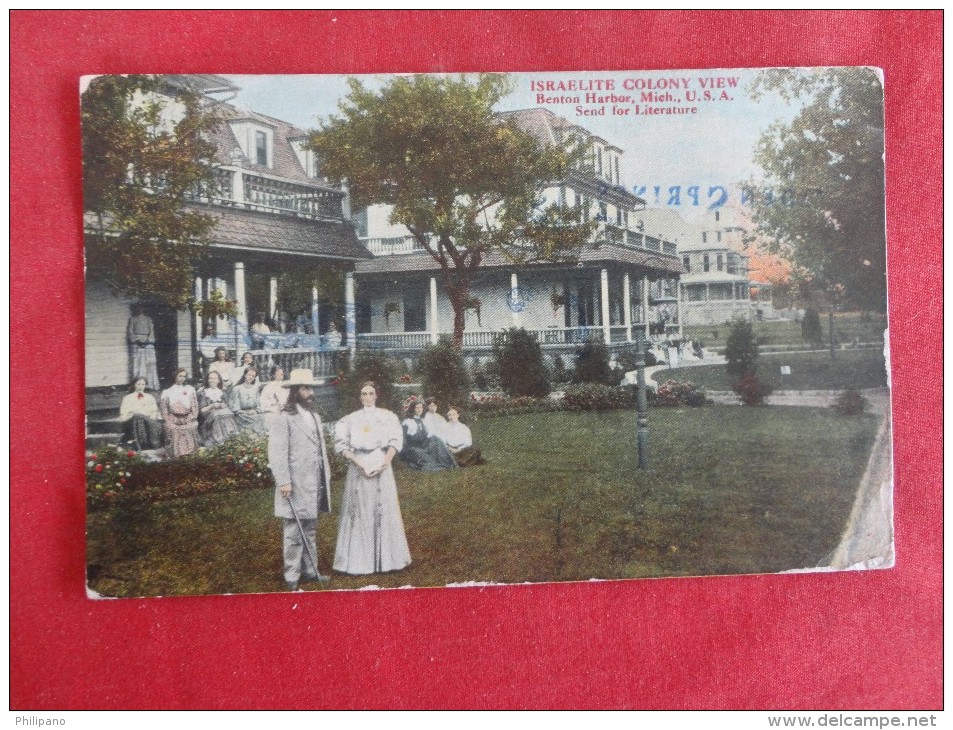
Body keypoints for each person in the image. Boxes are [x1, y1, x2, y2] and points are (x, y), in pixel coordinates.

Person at [333, 381, 411, 575]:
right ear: (360, 397)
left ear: (376, 396)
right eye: (363, 394)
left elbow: (395, 441)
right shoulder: (350, 419)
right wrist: (358, 462)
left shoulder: (387, 416)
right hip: (358, 464)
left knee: (383, 508)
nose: (367, 397)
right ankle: (359, 561)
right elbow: (341, 445)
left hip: (381, 461)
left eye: (370, 393)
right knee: (359, 510)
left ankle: (387, 560)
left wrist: (385, 462)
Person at [268, 369, 333, 591]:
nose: (310, 392)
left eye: (311, 387)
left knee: (311, 527)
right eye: (305, 388)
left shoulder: (315, 417)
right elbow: (277, 453)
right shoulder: (283, 418)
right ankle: (292, 574)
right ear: (294, 391)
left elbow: (320, 449)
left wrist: (326, 474)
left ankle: (310, 570)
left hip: (314, 481)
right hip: (294, 482)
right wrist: (284, 481)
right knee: (294, 530)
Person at [400, 400, 456, 472]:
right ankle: (438, 464)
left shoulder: (422, 420)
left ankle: (449, 463)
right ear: (412, 409)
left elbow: (427, 435)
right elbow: (403, 439)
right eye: (417, 407)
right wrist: (404, 453)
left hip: (424, 446)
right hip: (413, 448)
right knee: (426, 461)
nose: (419, 409)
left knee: (435, 439)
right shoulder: (407, 422)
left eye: (421, 407)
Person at [160, 368, 200, 457]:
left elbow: (194, 406)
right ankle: (177, 454)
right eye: (180, 376)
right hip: (173, 418)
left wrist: (192, 416)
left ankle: (189, 452)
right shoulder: (167, 392)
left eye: (184, 376)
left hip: (187, 417)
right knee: (174, 429)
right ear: (175, 376)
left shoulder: (190, 389)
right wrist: (169, 420)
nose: (182, 378)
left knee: (189, 427)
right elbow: (164, 410)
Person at [118, 377, 164, 451]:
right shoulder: (128, 398)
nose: (140, 386)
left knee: (141, 418)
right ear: (134, 385)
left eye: (143, 384)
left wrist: (150, 419)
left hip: (148, 421)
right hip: (133, 421)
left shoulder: (150, 397)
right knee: (137, 417)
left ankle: (148, 445)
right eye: (138, 384)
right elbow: (124, 413)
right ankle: (141, 446)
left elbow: (154, 411)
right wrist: (133, 415)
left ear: (145, 385)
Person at [197, 370, 240, 446]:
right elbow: (201, 411)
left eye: (215, 378)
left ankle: (230, 439)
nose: (212, 380)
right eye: (210, 378)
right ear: (207, 380)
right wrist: (212, 406)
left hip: (222, 414)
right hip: (207, 419)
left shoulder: (222, 391)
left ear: (219, 380)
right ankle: (219, 440)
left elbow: (227, 406)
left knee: (228, 414)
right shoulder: (203, 392)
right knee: (217, 415)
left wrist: (222, 405)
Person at [127, 304, 159, 391]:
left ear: (143, 309)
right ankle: (137, 385)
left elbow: (151, 332)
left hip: (147, 344)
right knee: (137, 364)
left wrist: (147, 341)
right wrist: (137, 341)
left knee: (149, 364)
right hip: (137, 344)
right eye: (138, 308)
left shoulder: (148, 319)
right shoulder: (132, 319)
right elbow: (130, 332)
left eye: (141, 308)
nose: (139, 309)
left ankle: (150, 384)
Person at [228, 366, 266, 435]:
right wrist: (243, 412)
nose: (250, 377)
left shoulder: (255, 388)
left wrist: (255, 411)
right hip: (240, 415)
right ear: (245, 375)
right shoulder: (237, 388)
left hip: (253, 413)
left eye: (253, 376)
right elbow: (234, 406)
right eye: (249, 375)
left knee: (262, 417)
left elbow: (259, 404)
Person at [258, 365, 289, 432]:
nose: (280, 375)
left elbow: (288, 399)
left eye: (282, 373)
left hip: (284, 410)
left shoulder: (286, 387)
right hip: (272, 411)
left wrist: (284, 406)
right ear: (273, 374)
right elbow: (263, 402)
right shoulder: (268, 387)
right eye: (278, 373)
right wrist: (271, 408)